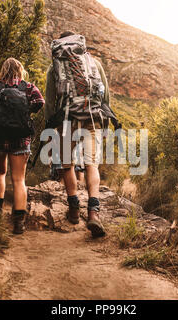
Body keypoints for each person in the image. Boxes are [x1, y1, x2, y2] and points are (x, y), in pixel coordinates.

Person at [44, 31, 114, 238]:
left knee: (67, 165)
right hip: (93, 118)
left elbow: (50, 102)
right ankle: (94, 212)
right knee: (92, 164)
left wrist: (50, 129)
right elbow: (106, 97)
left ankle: (74, 208)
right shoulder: (94, 63)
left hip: (66, 120)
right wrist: (106, 125)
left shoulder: (54, 66)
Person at [0, 57, 44, 234]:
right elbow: (40, 102)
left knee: (0, 173)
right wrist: (26, 111)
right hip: (21, 138)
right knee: (19, 179)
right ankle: (19, 223)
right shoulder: (29, 87)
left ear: (4, 69)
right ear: (20, 70)